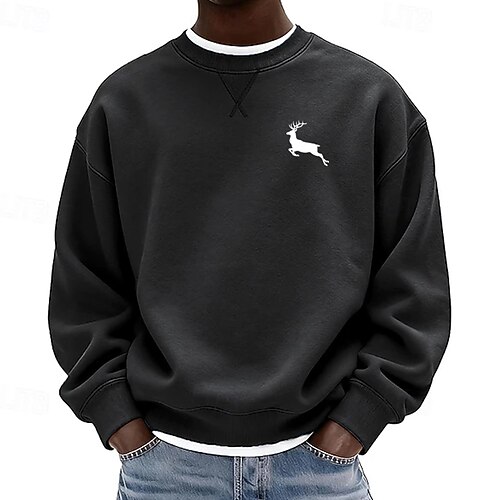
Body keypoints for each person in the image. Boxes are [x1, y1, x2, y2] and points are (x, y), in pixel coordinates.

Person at [47, 0, 451, 498]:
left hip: (320, 471)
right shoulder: (124, 102)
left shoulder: (368, 98)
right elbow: (84, 282)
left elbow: (415, 287)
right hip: (166, 471)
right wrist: (118, 420)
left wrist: (359, 418)